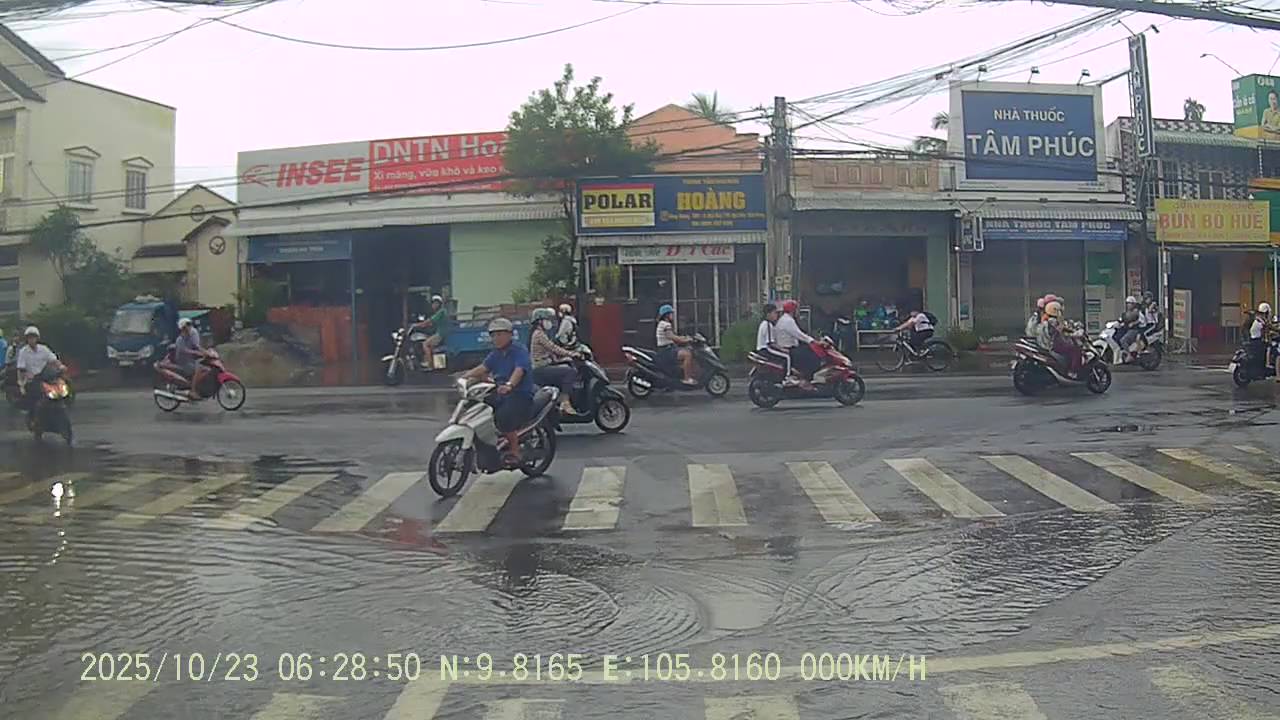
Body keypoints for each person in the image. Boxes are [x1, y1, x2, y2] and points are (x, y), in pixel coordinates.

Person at [461, 318, 535, 465]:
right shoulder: (496, 353)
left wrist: (509, 385)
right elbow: (483, 367)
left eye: (500, 334)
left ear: (510, 334)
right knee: (478, 407)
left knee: (503, 417)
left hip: (519, 393)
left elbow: (519, 370)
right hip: (500, 392)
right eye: (493, 335)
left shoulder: (519, 351)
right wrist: (465, 376)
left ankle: (515, 451)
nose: (496, 338)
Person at [528, 307, 579, 416]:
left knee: (566, 366)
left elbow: (550, 352)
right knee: (570, 372)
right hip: (540, 369)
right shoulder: (539, 334)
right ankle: (565, 402)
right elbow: (553, 348)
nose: (549, 322)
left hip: (543, 366)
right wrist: (571, 354)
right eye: (546, 319)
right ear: (539, 321)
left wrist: (562, 359)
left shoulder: (540, 333)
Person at [16, 326, 60, 421]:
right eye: (29, 337)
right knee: (37, 401)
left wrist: (61, 366)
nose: (31, 339)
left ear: (37, 338)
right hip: (32, 381)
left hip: (46, 378)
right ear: (27, 339)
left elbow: (54, 360)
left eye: (33, 337)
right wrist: (21, 383)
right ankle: (36, 420)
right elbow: (21, 369)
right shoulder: (23, 352)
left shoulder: (44, 349)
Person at [774, 299, 818, 389]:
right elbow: (798, 334)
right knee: (812, 356)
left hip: (787, 347)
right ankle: (807, 377)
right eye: (797, 309)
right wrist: (813, 341)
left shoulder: (784, 319)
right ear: (793, 310)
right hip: (788, 348)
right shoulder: (788, 321)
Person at [655, 304, 697, 386]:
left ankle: (682, 373)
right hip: (666, 351)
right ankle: (687, 379)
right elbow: (671, 337)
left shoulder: (663, 323)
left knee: (687, 349)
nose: (673, 315)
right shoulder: (665, 324)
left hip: (668, 349)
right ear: (666, 315)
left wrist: (684, 337)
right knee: (687, 355)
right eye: (671, 313)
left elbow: (673, 336)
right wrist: (685, 340)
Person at [1041, 301, 1082, 378]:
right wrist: (1073, 334)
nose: (1060, 312)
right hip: (1055, 344)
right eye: (1059, 310)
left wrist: (1070, 330)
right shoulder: (1052, 321)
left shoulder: (1048, 319)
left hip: (1054, 343)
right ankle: (1072, 372)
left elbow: (1063, 329)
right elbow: (1060, 330)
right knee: (1076, 351)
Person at [174, 317, 206, 399]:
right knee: (198, 369)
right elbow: (185, 350)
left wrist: (206, 351)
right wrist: (196, 352)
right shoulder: (180, 339)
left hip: (191, 360)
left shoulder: (191, 335)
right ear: (183, 328)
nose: (189, 327)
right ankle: (193, 391)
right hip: (183, 361)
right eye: (187, 325)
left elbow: (196, 346)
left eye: (189, 325)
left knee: (204, 366)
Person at [416, 295, 449, 369]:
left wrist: (416, 325)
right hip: (440, 332)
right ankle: (432, 362)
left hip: (441, 333)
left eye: (435, 303)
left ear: (438, 304)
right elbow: (431, 323)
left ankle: (429, 364)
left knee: (425, 344)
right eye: (433, 303)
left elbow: (429, 321)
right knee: (430, 345)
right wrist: (424, 325)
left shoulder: (441, 312)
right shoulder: (441, 312)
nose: (433, 305)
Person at [1116, 296, 1144, 360]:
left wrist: (1134, 323)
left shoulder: (1137, 312)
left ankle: (1129, 355)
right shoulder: (1126, 313)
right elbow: (1121, 319)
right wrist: (1116, 323)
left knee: (1123, 340)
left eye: (1130, 303)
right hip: (1126, 329)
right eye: (1127, 303)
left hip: (1134, 330)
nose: (1128, 305)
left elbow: (1142, 320)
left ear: (1133, 304)